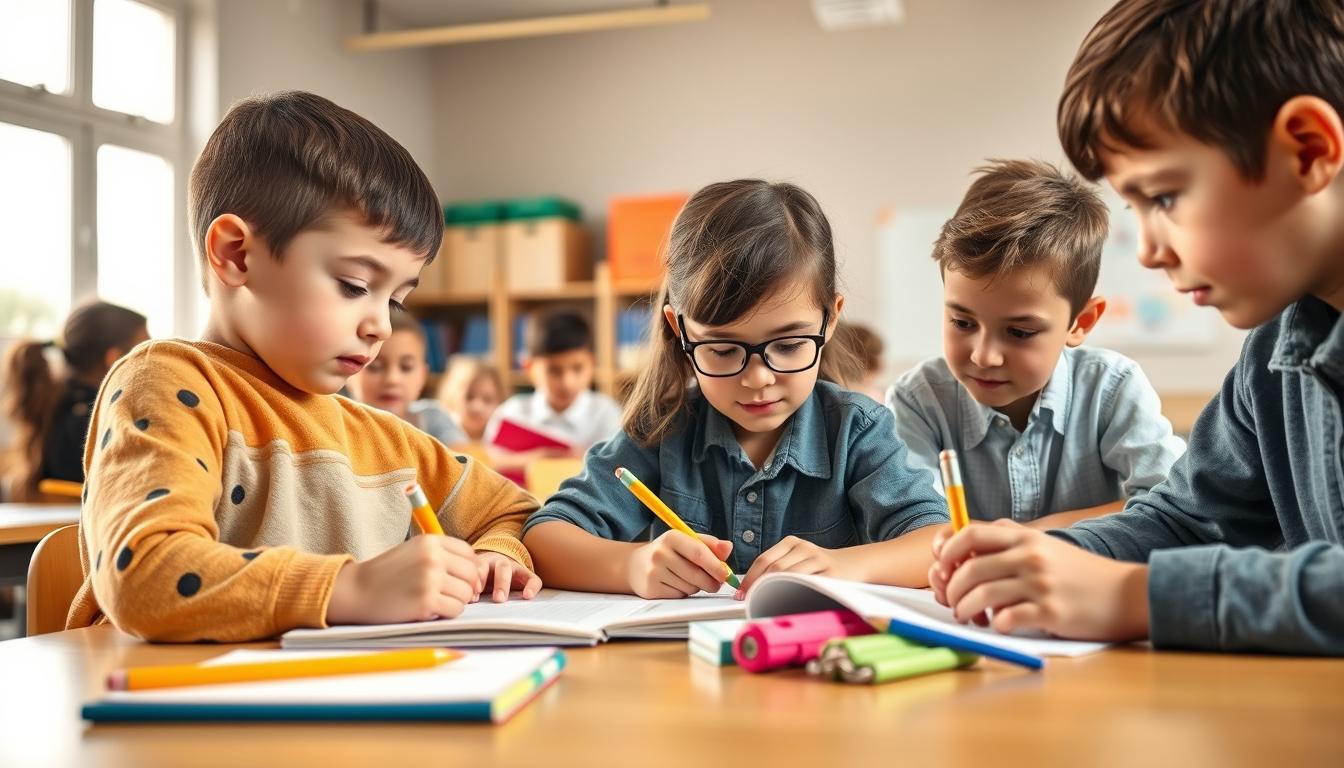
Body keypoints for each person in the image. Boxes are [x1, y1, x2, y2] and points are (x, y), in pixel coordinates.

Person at [932, 0, 1344, 653]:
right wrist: (1041, 561)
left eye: (1165, 197)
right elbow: (1185, 521)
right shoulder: (1273, 357)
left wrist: (1134, 597)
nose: (1148, 251)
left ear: (1308, 150)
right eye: (1135, 206)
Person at [71, 91, 540, 643]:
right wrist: (352, 589)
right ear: (236, 254)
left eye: (395, 301)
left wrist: (496, 556)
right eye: (355, 286)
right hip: (175, 692)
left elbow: (513, 512)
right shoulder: (167, 382)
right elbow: (145, 571)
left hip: (337, 689)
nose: (381, 326)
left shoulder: (380, 437)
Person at [523, 179, 948, 599]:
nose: (758, 379)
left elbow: (937, 542)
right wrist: (631, 565)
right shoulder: (663, 430)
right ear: (680, 330)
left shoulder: (857, 430)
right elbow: (544, 537)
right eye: (723, 350)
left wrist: (847, 566)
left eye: (788, 345)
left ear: (830, 319)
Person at [887, 159, 1183, 528]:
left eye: (1019, 332)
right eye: (962, 323)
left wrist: (1030, 537)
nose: (984, 355)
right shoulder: (918, 400)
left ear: (1080, 322)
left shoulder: (1111, 387)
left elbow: (1172, 504)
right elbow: (918, 529)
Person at [0, 300, 147, 501]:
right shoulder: (104, 423)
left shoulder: (55, 408)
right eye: (145, 353)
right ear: (114, 359)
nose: (153, 364)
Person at [345, 310, 465, 445]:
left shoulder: (432, 419)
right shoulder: (338, 423)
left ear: (423, 375)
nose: (392, 379)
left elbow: (467, 454)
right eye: (375, 366)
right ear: (347, 372)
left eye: (406, 367)